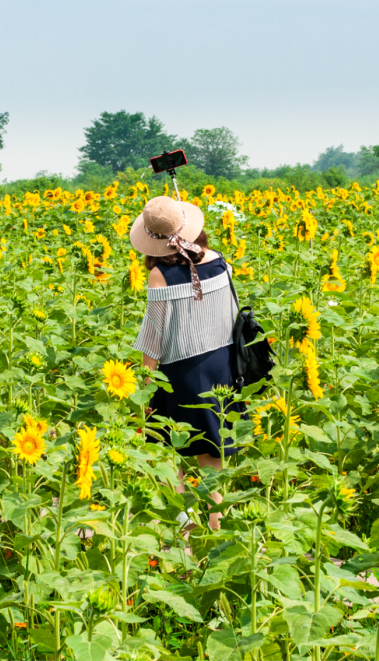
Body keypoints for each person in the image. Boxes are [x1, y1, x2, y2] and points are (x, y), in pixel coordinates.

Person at [129, 194, 244, 531]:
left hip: (183, 372)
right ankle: (216, 532)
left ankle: (184, 529)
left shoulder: (159, 276)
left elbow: (153, 337)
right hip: (222, 365)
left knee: (169, 454)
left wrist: (146, 389)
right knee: (212, 460)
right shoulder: (220, 260)